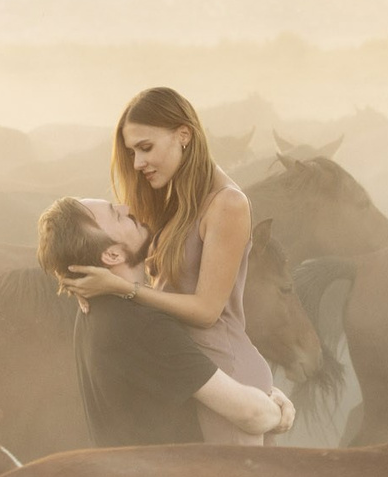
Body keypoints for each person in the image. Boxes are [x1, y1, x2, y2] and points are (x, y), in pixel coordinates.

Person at [60, 87, 277, 445]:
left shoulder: (228, 205)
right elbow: (111, 249)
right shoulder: (172, 196)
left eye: (145, 148)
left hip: (227, 376)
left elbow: (207, 311)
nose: (136, 163)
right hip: (193, 374)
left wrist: (124, 291)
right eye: (132, 152)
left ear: (184, 135)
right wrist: (83, 285)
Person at [37, 195, 294, 449]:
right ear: (112, 255)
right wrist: (278, 412)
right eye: (117, 214)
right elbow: (250, 415)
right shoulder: (140, 324)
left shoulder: (93, 311)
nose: (127, 207)